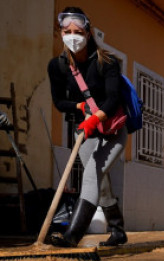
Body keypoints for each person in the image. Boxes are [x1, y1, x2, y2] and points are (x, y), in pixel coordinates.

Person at [47, 7, 128, 248]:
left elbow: (113, 100)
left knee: (92, 175)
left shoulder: (107, 61)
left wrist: (96, 117)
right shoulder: (58, 66)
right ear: (60, 33)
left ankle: (72, 236)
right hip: (85, 131)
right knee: (99, 182)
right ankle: (118, 230)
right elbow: (60, 102)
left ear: (88, 33)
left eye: (78, 31)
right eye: (66, 31)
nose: (73, 36)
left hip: (113, 130)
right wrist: (80, 107)